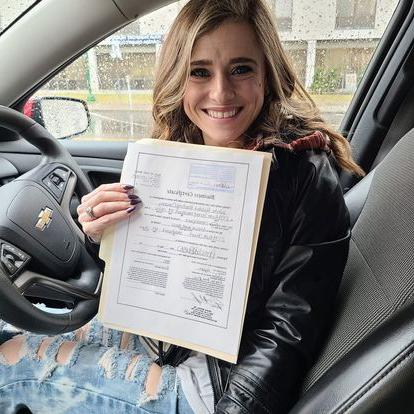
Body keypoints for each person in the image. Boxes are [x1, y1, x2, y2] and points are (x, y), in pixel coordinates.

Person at [0, 0, 363, 413]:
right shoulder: (178, 153)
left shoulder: (302, 175)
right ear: (179, 78)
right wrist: (104, 235)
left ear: (268, 74)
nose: (221, 92)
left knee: (13, 366)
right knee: (10, 330)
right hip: (172, 339)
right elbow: (162, 274)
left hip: (220, 381)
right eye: (200, 72)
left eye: (241, 69)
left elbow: (286, 331)